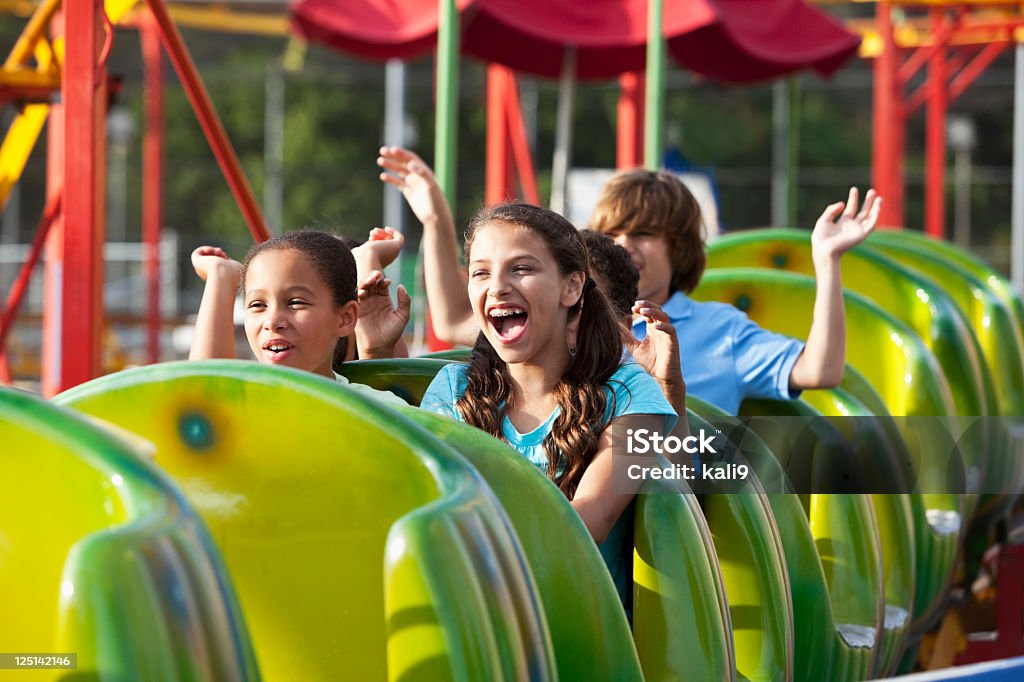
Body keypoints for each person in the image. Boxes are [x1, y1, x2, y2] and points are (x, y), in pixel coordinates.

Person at [419, 202, 679, 612]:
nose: (498, 287)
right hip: (472, 613)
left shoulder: (630, 397)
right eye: (481, 272)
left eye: (521, 268)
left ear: (571, 287)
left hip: (575, 626)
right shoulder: (453, 391)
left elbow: (588, 521)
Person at [591, 170, 880, 414]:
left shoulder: (720, 330)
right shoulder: (574, 322)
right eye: (610, 234)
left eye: (643, 234)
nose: (622, 245)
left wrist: (827, 259)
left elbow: (821, 369)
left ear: (677, 247)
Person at [188, 229, 408, 405]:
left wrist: (368, 261)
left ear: (346, 318)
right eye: (257, 304)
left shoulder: (382, 410)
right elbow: (202, 394)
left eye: (296, 303)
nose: (272, 322)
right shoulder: (236, 405)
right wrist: (221, 274)